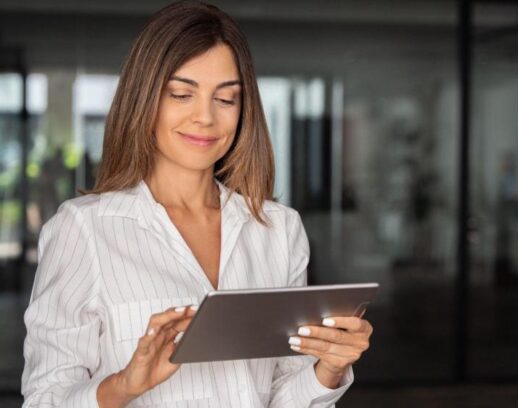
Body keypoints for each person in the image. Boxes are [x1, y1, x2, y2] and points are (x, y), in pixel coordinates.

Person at [21, 1, 373, 407]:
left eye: (226, 100)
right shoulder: (83, 229)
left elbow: (283, 396)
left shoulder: (278, 229)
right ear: (144, 99)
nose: (205, 117)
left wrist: (329, 367)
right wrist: (124, 385)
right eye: (181, 94)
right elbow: (44, 400)